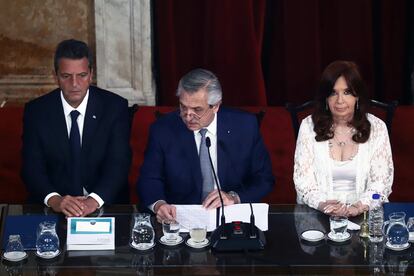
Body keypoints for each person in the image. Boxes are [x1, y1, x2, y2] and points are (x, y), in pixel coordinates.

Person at [137, 68, 274, 222]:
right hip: (180, 218)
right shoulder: (163, 130)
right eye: (183, 107)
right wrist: (159, 205)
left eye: (197, 109)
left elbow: (264, 179)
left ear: (215, 106)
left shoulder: (245, 126)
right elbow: (149, 178)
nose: (188, 116)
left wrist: (235, 197)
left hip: (230, 215)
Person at [21, 39, 131, 217]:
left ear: (91, 74)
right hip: (55, 207)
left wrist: (93, 201)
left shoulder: (114, 107)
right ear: (55, 76)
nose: (74, 84)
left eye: (81, 75)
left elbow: (118, 163)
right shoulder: (37, 111)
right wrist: (55, 200)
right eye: (66, 76)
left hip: (104, 204)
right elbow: (31, 167)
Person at [294, 60, 393, 217]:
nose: (340, 101)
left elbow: (381, 183)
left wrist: (359, 207)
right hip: (318, 215)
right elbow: (303, 182)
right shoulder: (308, 126)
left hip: (365, 216)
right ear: (326, 98)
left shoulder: (377, 127)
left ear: (357, 96)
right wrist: (323, 205)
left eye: (347, 92)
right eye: (333, 93)